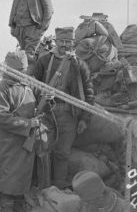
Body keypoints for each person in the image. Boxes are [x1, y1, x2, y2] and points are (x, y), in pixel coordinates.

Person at [30, 27, 95, 189]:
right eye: (61, 41)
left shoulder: (80, 65)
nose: (65, 45)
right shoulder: (44, 61)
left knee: (62, 153)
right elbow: (31, 83)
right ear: (56, 41)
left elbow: (89, 93)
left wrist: (84, 119)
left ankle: (58, 188)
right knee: (43, 150)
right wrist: (42, 93)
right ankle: (43, 188)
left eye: (68, 41)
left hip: (69, 114)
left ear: (73, 43)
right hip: (46, 113)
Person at [0, 50, 43, 212]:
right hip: (9, 140)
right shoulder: (0, 89)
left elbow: (39, 98)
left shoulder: (28, 85)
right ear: (9, 68)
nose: (23, 73)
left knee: (22, 176)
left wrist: (47, 98)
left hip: (26, 140)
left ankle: (18, 210)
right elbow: (2, 118)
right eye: (19, 70)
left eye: (24, 69)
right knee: (7, 176)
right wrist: (29, 123)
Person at [8, 0, 54, 64]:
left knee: (28, 55)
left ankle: (27, 72)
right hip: (19, 29)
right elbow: (14, 7)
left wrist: (42, 28)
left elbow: (49, 11)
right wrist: (12, 25)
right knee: (23, 53)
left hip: (33, 29)